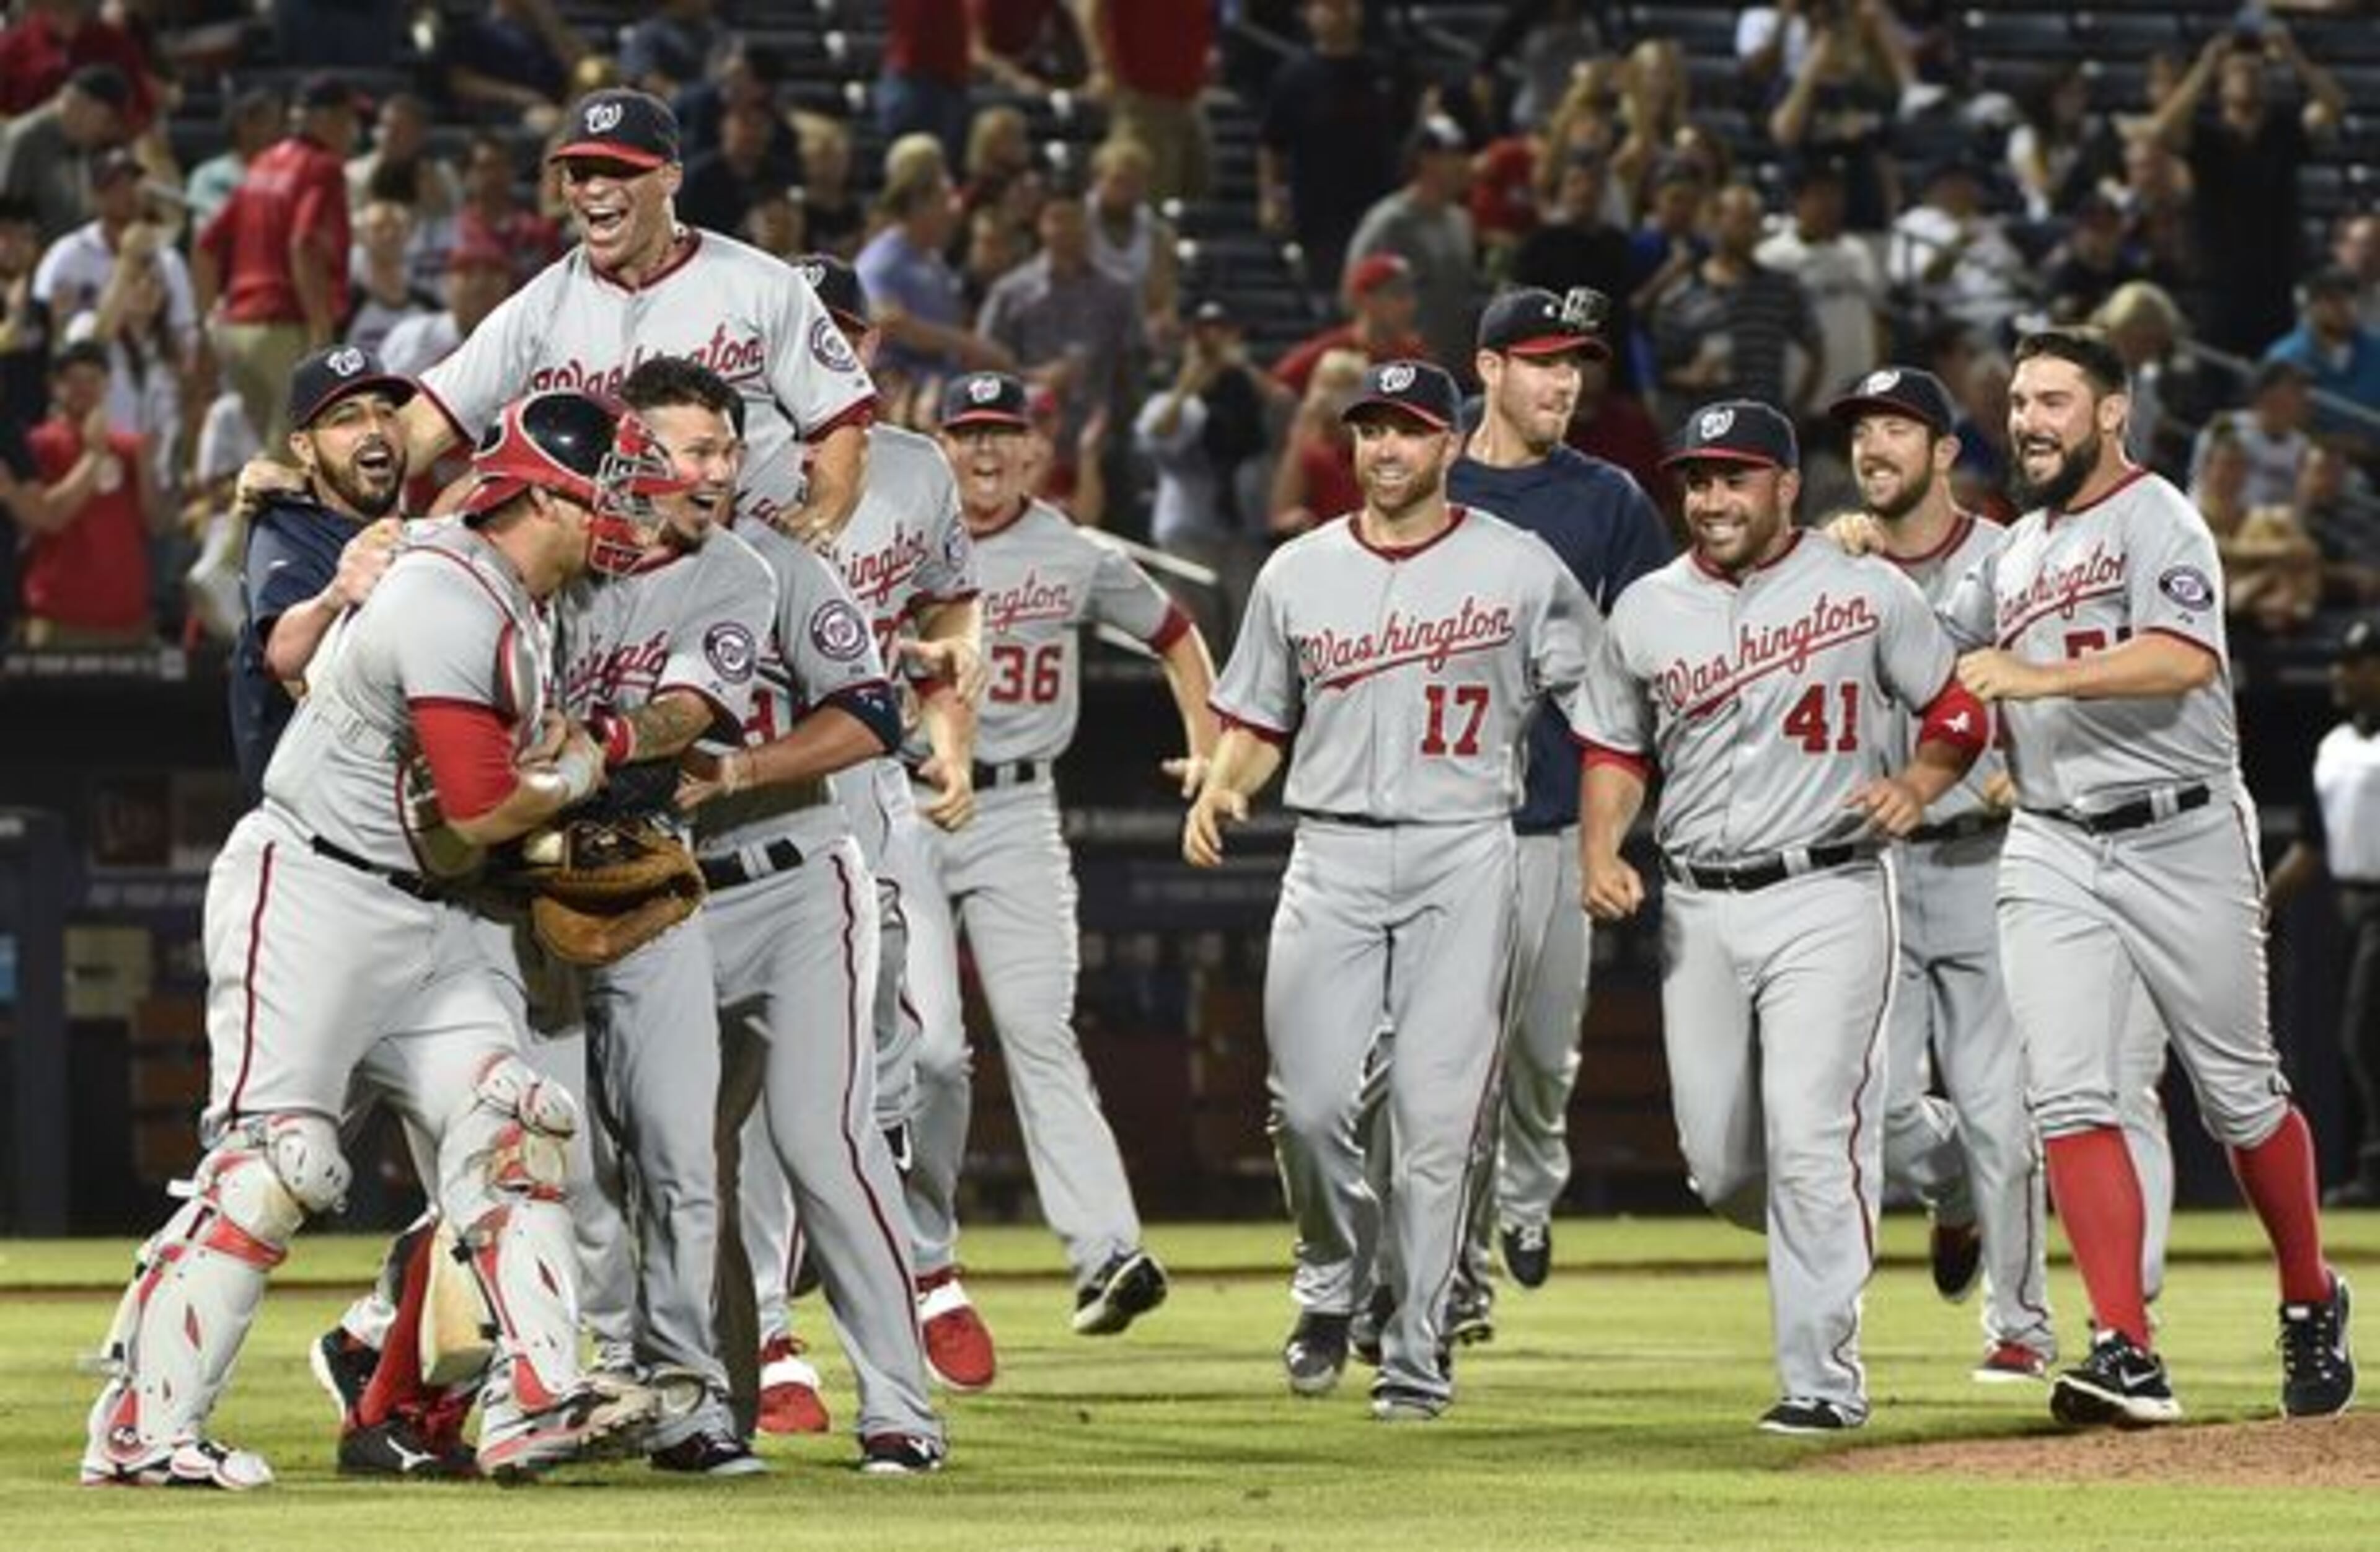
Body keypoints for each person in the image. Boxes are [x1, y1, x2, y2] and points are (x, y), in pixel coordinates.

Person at [79, 389, 669, 1489]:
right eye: (614, 490)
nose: (633, 512)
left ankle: (540, 1400)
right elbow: (483, 803)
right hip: (318, 891)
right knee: (277, 1164)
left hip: (438, 910)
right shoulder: (451, 595)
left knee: (514, 1125)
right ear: (543, 497)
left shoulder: (519, 589)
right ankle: (141, 1431)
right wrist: (584, 770)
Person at [1939, 327, 2353, 1426]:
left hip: (2182, 833)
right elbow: (1934, 647)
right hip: (2053, 841)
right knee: (2070, 1090)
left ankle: (2310, 1291)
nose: (2029, 420)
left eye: (2054, 400)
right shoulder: (2013, 552)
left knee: (2239, 1094)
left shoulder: (2159, 516)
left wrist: (2031, 678)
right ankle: (2126, 1346)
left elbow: (2182, 659)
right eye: (2019, 400)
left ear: (2112, 410)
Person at [1186, 358, 1598, 1421]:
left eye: (1408, 429)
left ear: (1449, 443)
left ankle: (1418, 1349)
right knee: (1310, 1105)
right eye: (1371, 428)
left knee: (1437, 1121)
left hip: (1467, 851)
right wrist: (1224, 785)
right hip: (1330, 851)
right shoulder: (1297, 571)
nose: (1386, 448)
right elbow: (1259, 720)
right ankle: (1332, 1278)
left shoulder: (1520, 567)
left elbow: (1608, 707)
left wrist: (1604, 835)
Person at [1575, 397, 1991, 1432]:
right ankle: (1951, 1166)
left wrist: (1924, 780)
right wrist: (1599, 847)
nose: (1712, 498)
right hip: (1698, 907)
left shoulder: (1865, 588)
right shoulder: (1647, 609)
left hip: (1829, 890)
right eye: (1698, 479)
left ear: (1788, 485)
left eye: (1736, 477)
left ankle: (1823, 1379)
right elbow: (1617, 748)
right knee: (1724, 1168)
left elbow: (1958, 707)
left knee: (1812, 1139)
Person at [904, 369, 1213, 1367]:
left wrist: (1207, 751)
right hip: (903, 806)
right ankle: (922, 1255)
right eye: (967, 433)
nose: (986, 450)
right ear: (938, 446)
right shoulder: (901, 541)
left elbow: (1177, 636)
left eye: (1004, 432)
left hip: (1019, 809)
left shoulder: (1073, 553)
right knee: (929, 1053)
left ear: (1037, 448)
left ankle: (1108, 1254)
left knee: (1042, 1034)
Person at [728, 255, 984, 1430]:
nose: (823, 347)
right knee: (750, 1082)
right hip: (741, 782)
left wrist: (955, 678)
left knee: (922, 1059)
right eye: (805, 327)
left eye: (840, 330)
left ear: (868, 345)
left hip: (869, 775)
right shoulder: (721, 456)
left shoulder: (919, 468)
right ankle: (770, 1334)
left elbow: (951, 600)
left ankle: (920, 1265)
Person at [1825, 366, 2058, 1381]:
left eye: (1896, 428)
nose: (1873, 447)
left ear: (1946, 452)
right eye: (1862, 431)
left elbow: (2058, 679)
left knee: (2002, 1106)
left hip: (1984, 858)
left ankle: (2022, 1325)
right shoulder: (1832, 565)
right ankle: (1953, 1187)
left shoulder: (2011, 557)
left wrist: (2029, 767)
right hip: (1866, 867)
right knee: (1869, 1106)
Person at [1446, 287, 1667, 1305]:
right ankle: (1456, 1275)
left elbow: (1659, 637)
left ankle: (1528, 1192)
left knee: (1538, 1054)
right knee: (1452, 1064)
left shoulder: (1608, 498)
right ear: (1490, 368)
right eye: (1542, 361)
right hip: (1446, 821)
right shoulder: (1426, 471)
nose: (1564, 380)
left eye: (1574, 362)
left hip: (1554, 815)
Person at [400, 89, 874, 547]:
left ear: (670, 177)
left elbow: (843, 420)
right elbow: (422, 428)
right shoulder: (537, 309)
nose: (595, 189)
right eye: (580, 173)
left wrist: (819, 519)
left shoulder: (761, 285)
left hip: (744, 551)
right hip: (600, 570)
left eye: (620, 170)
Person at [229, 345, 412, 803]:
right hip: (308, 827)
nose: (373, 429)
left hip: (392, 816)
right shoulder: (285, 527)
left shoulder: (418, 533)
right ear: (304, 448)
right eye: (347, 419)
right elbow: (283, 653)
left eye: (385, 413)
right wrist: (335, 596)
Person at [2267, 617, 2380, 1209]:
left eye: (2355, 663)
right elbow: (2311, 846)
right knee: (2360, 1039)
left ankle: (2374, 1170)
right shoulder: (2334, 746)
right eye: (2339, 662)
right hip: (2350, 906)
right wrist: (2261, 906)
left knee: (2363, 1035)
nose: (2340, 673)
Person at [2147, 20, 2345, 356]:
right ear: (2221, 83)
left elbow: (2334, 105)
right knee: (2216, 375)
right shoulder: (2206, 136)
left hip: (2275, 283)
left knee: (2277, 374)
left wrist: (2293, 55)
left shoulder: (2285, 130)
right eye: (2238, 71)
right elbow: (2162, 130)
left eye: (2257, 71)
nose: (2249, 77)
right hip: (2217, 285)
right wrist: (2206, 65)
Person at [195, 74, 361, 448]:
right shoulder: (323, 166)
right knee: (291, 457)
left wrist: (206, 322)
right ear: (327, 118)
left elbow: (206, 246)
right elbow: (303, 244)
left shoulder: (263, 162)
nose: (354, 130)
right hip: (284, 327)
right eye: (349, 118)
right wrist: (321, 329)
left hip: (236, 332)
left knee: (274, 457)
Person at [12, 338, 154, 646]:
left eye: (93, 379)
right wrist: (94, 456)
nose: (84, 389)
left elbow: (157, 523)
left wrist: (147, 468)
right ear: (55, 386)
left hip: (129, 626)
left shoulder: (129, 448)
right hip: (60, 625)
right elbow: (49, 517)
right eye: (73, 380)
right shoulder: (36, 444)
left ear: (107, 384)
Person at [1342, 115, 1481, 376]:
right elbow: (1352, 293)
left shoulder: (1461, 221)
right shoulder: (1390, 222)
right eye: (1454, 155)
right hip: (1398, 369)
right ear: (1426, 160)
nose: (1465, 164)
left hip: (1454, 367)